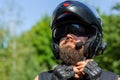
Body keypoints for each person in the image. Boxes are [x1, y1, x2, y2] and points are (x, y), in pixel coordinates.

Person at [35, 0, 120, 80]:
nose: (68, 35)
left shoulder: (112, 78)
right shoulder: (42, 78)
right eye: (61, 31)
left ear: (92, 39)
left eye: (76, 29)